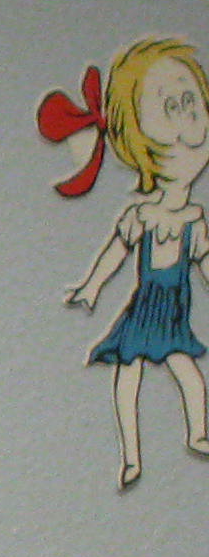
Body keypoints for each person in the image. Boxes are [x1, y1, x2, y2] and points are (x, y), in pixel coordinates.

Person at [67, 34, 209, 488]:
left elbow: (204, 263)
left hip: (174, 313)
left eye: (192, 103)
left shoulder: (193, 221)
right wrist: (91, 285)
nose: (185, 115)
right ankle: (130, 457)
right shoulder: (142, 216)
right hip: (144, 310)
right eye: (170, 106)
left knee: (187, 371)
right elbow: (115, 251)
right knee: (127, 377)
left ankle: (198, 432)